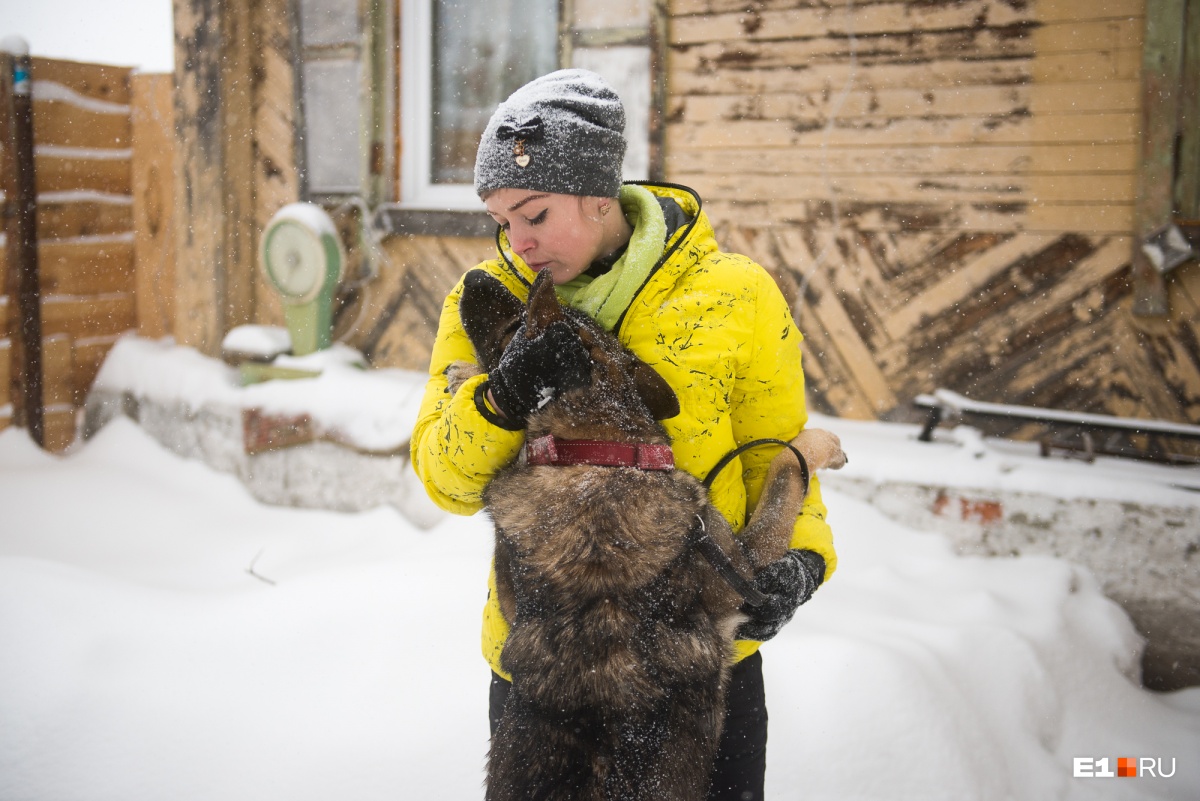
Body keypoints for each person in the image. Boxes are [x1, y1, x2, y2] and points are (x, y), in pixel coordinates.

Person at [410, 68, 836, 801]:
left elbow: (775, 446)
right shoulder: (490, 303)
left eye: (535, 214)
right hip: (547, 675)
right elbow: (443, 481)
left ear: (598, 194)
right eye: (501, 221)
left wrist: (803, 559)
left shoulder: (735, 295)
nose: (519, 241)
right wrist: (501, 397)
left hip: (702, 666)